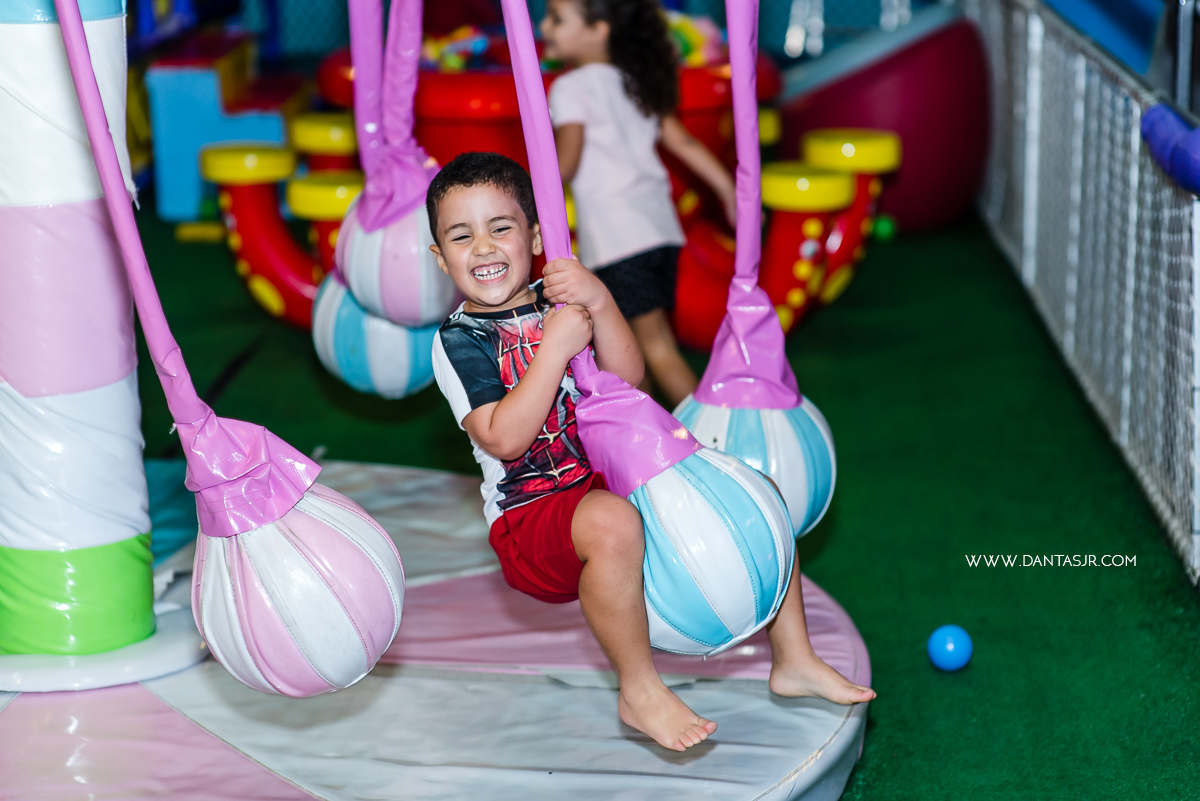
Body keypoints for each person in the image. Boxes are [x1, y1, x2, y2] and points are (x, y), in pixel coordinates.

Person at [428, 152, 875, 752]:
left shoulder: (556, 299)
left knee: (749, 487)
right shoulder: (458, 341)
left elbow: (628, 378)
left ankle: (792, 655)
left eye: (500, 227)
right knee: (612, 524)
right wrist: (554, 348)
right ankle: (638, 689)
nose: (483, 247)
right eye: (462, 236)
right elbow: (503, 437)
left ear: (535, 236)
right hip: (530, 517)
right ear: (440, 257)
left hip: (607, 482)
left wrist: (600, 302)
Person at [541, 0, 734, 407]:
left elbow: (568, 162)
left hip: (619, 240)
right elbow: (682, 141)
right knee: (630, 353)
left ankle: (713, 441)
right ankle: (656, 437)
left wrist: (528, 190)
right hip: (661, 232)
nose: (545, 27)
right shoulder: (634, 81)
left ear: (598, 31)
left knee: (654, 348)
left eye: (557, 19)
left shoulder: (570, 87)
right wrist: (728, 189)